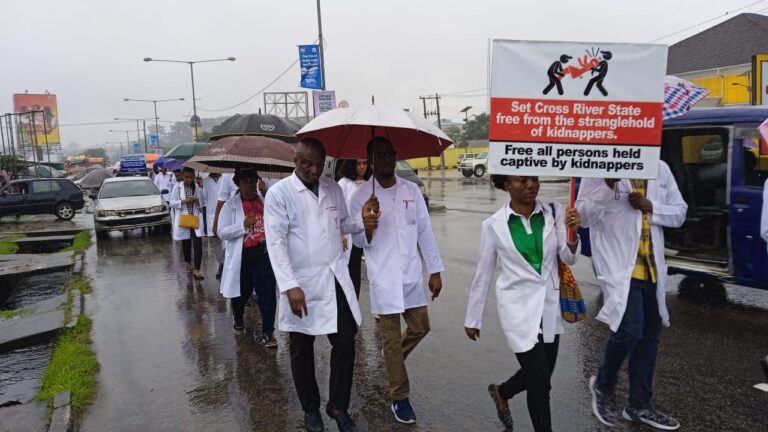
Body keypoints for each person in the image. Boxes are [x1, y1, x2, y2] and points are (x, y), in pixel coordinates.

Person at [264, 138, 379, 432]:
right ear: (295, 160)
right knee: (302, 347)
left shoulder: (332, 188)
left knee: (344, 341)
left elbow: (342, 224)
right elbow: (275, 243)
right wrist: (289, 285)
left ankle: (338, 406)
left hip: (333, 276)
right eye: (307, 164)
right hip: (300, 280)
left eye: (318, 164)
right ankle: (311, 409)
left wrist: (362, 222)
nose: (314, 170)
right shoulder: (280, 194)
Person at [464, 175, 580, 432]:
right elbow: (483, 274)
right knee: (540, 382)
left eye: (534, 179)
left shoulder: (554, 211)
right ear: (507, 185)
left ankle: (502, 392)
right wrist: (473, 318)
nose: (531, 185)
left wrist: (572, 237)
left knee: (543, 372)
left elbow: (568, 257)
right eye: (522, 181)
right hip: (517, 312)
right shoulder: (493, 225)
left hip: (548, 309)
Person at [576, 162, 686, 430]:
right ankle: (603, 384)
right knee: (630, 330)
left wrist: (652, 207)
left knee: (650, 338)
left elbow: (680, 212)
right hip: (620, 267)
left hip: (652, 268)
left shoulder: (659, 168)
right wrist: (608, 185)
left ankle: (639, 405)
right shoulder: (600, 169)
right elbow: (583, 216)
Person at [348, 138, 443, 424]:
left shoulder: (411, 191)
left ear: (395, 156)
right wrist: (366, 225)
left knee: (421, 327)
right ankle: (400, 398)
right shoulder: (360, 196)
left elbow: (424, 232)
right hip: (384, 278)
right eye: (378, 155)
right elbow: (357, 240)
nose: (385, 160)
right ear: (369, 159)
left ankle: (392, 358)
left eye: (389, 154)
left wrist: (435, 271)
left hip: (411, 275)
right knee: (390, 338)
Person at [217, 167, 277, 347]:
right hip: (242, 258)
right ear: (238, 184)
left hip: (263, 255)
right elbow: (221, 232)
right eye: (245, 181)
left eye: (252, 180)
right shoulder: (230, 205)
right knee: (240, 294)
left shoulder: (266, 202)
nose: (249, 185)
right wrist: (242, 226)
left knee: (267, 295)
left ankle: (268, 331)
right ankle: (238, 318)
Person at [337, 159, 371, 298]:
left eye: (365, 163)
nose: (362, 167)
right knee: (352, 273)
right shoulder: (344, 184)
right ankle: (349, 310)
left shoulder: (371, 184)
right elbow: (338, 211)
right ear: (352, 164)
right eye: (359, 163)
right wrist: (340, 234)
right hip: (350, 237)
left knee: (375, 272)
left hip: (369, 234)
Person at [170, 167, 207, 280]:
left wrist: (200, 189)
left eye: (191, 177)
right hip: (184, 219)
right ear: (182, 176)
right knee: (186, 243)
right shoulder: (178, 187)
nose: (189, 179)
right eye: (187, 177)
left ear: (194, 177)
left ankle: (197, 268)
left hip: (195, 219)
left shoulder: (197, 187)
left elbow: (203, 202)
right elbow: (172, 203)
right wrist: (184, 201)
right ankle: (188, 262)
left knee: (198, 244)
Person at [202, 172, 226, 279]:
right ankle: (222, 264)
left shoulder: (225, 177)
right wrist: (200, 188)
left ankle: (228, 265)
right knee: (216, 244)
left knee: (227, 242)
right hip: (212, 216)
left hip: (226, 215)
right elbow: (202, 201)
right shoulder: (205, 181)